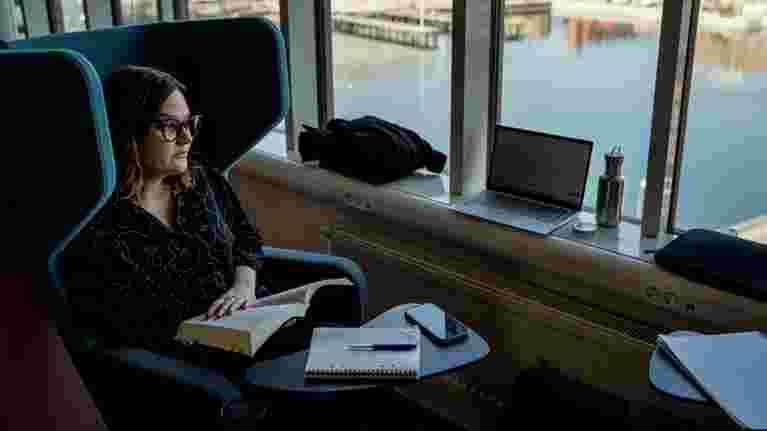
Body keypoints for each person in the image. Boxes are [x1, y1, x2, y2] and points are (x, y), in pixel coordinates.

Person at [62, 65, 358, 373]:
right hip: (195, 356)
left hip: (254, 318)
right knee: (328, 373)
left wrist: (244, 287)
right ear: (131, 131)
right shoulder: (100, 225)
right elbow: (112, 325)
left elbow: (246, 238)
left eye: (189, 123)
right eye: (169, 126)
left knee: (347, 342)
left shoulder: (202, 180)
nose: (186, 137)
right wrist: (196, 329)